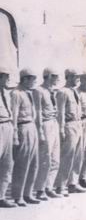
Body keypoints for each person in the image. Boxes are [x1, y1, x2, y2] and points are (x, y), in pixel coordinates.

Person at [10, 68, 40, 206]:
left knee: (34, 163)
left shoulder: (29, 93)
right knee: (22, 163)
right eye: (32, 79)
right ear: (25, 79)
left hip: (31, 127)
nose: (34, 82)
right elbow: (14, 115)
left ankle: (28, 193)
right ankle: (18, 195)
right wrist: (15, 134)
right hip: (22, 128)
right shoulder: (16, 93)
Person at [55, 69, 84, 196]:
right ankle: (61, 186)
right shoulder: (62, 92)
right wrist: (61, 129)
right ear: (68, 77)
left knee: (78, 155)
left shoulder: (75, 91)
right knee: (67, 156)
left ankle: (73, 183)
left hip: (78, 124)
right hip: (69, 124)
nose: (78, 79)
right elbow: (60, 113)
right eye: (75, 76)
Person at [33, 68, 61, 200]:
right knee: (46, 158)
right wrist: (40, 131)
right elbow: (37, 112)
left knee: (55, 158)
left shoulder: (52, 91)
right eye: (55, 76)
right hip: (45, 124)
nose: (57, 79)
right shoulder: (39, 91)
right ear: (48, 76)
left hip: (54, 123)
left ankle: (49, 186)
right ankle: (40, 189)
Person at [0, 67, 16, 207]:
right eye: (5, 77)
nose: (7, 80)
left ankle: (2, 196)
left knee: (7, 163)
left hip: (7, 126)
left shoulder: (7, 92)